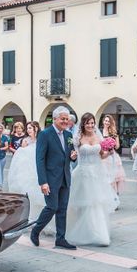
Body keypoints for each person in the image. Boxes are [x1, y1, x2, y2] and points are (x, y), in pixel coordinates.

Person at [30, 106, 78, 250]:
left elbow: (68, 154)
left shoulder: (69, 135)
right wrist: (43, 182)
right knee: (52, 207)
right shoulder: (45, 134)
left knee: (62, 209)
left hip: (65, 177)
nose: (65, 121)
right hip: (50, 179)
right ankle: (36, 230)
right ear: (55, 119)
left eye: (67, 119)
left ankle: (60, 239)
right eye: (63, 119)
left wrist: (73, 157)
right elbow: (40, 159)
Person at [67, 112, 117, 246]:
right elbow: (74, 154)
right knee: (84, 204)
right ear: (83, 124)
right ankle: (87, 230)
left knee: (97, 202)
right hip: (83, 173)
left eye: (92, 123)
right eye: (88, 123)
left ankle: (101, 234)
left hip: (97, 173)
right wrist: (72, 156)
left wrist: (109, 152)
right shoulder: (77, 137)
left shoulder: (97, 136)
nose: (90, 125)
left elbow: (101, 156)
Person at [8, 121, 52, 229]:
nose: (28, 130)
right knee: (30, 193)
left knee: (40, 194)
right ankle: (30, 217)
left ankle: (41, 218)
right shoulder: (25, 141)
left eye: (30, 128)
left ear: (36, 128)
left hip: (39, 170)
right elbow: (21, 155)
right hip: (28, 171)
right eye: (27, 128)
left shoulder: (42, 139)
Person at [101, 114, 125, 197]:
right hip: (102, 156)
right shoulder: (99, 132)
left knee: (114, 178)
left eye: (108, 121)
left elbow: (117, 146)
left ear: (111, 123)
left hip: (112, 156)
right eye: (106, 120)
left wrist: (112, 143)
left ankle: (115, 198)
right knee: (104, 179)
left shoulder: (114, 133)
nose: (107, 122)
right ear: (103, 121)